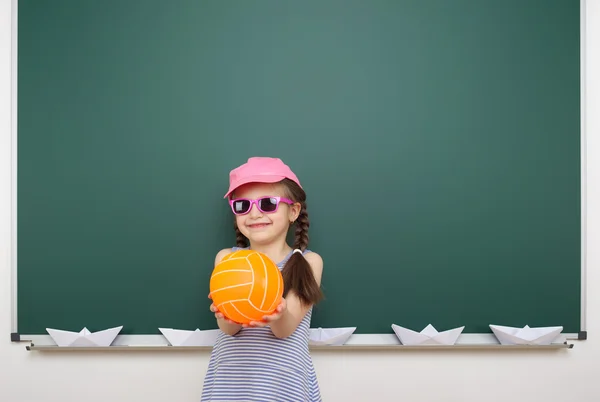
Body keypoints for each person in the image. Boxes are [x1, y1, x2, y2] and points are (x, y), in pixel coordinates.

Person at [201, 156, 324, 402]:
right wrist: (223, 313)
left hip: (283, 386)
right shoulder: (227, 259)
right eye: (242, 206)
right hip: (230, 385)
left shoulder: (308, 262)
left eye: (268, 203)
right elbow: (229, 329)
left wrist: (278, 313)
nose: (254, 213)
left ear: (293, 211)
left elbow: (284, 331)